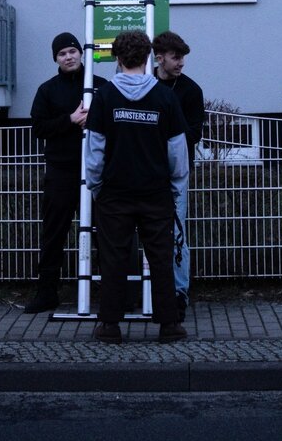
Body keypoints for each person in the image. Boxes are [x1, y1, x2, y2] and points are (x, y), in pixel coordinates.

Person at [85, 29, 189, 343]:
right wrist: (174, 186)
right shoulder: (165, 96)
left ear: (117, 58)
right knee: (160, 258)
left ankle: (109, 325)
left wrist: (96, 186)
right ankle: (169, 324)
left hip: (114, 194)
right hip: (156, 193)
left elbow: (94, 150)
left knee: (114, 258)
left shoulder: (104, 97)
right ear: (148, 58)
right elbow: (177, 151)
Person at [25, 32, 107, 314]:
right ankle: (47, 293)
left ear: (81, 54)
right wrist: (69, 120)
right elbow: (38, 128)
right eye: (62, 54)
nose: (69, 56)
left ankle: (114, 292)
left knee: (106, 233)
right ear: (56, 59)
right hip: (61, 172)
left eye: (72, 51)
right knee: (53, 234)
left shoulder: (100, 86)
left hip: (97, 172)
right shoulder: (48, 90)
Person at [152, 30, 205, 322]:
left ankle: (178, 293)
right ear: (159, 58)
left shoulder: (190, 90)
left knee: (176, 233)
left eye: (182, 57)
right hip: (148, 170)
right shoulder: (145, 84)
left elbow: (193, 134)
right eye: (176, 57)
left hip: (176, 173)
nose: (181, 63)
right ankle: (151, 293)